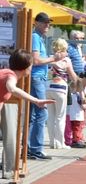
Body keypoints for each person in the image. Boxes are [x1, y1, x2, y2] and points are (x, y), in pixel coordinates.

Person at [0, 49, 55, 184]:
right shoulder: (10, 76)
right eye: (31, 65)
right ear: (26, 67)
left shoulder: (5, 72)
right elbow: (11, 88)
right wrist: (36, 100)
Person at [28, 12, 67, 160]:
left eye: (48, 23)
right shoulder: (35, 37)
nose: (47, 25)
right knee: (41, 113)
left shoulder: (39, 38)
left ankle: (30, 148)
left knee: (34, 114)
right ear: (36, 23)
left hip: (40, 77)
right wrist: (54, 58)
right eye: (44, 23)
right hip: (37, 78)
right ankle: (35, 148)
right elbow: (36, 60)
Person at [45, 38, 80, 150]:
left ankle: (51, 142)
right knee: (60, 117)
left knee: (51, 116)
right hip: (60, 88)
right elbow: (73, 76)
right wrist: (80, 87)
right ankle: (60, 143)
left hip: (48, 87)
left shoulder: (49, 58)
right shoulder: (66, 60)